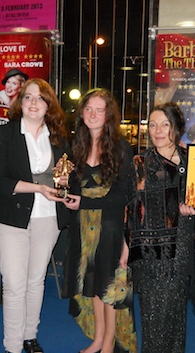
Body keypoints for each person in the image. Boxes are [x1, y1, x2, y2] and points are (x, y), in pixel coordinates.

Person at [0, 78, 70, 353]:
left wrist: (67, 194)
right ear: (19, 102)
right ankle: (12, 346)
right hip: (12, 216)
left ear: (49, 105)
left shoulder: (59, 137)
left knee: (36, 280)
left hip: (48, 217)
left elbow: (67, 177)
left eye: (40, 98)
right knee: (13, 284)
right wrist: (39, 188)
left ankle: (29, 337)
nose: (34, 103)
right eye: (28, 97)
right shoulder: (5, 134)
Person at [125, 102, 195, 353]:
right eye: (152, 124)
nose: (158, 130)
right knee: (154, 317)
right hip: (151, 253)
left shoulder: (194, 162)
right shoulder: (140, 162)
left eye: (165, 124)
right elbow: (129, 209)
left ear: (177, 127)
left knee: (175, 315)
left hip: (182, 247)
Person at [61, 88, 138, 353]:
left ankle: (109, 344)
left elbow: (122, 196)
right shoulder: (78, 147)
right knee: (92, 286)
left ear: (108, 116)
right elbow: (74, 187)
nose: (93, 114)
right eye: (89, 109)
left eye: (100, 110)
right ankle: (98, 339)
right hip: (84, 229)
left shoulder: (121, 148)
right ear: (82, 113)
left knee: (109, 288)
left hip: (111, 228)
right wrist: (64, 189)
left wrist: (85, 203)